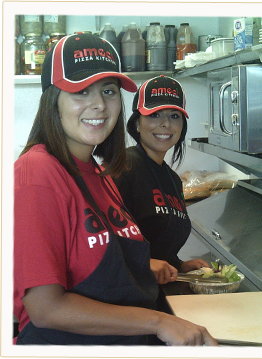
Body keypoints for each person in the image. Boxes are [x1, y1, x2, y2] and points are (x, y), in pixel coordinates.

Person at [13, 34, 217, 346]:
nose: (98, 104)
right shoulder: (36, 173)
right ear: (52, 99)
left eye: (108, 91)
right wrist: (160, 322)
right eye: (80, 91)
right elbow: (46, 309)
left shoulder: (98, 172)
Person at [114, 75, 210, 275]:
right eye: (155, 115)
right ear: (137, 123)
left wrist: (179, 265)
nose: (166, 124)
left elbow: (160, 246)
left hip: (155, 287)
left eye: (174, 116)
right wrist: (144, 262)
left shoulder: (173, 180)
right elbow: (104, 241)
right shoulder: (123, 168)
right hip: (127, 291)